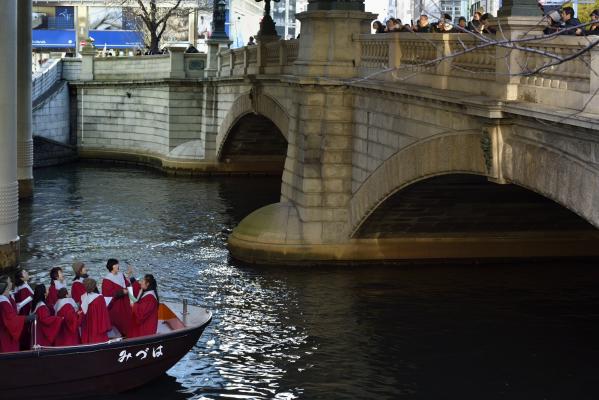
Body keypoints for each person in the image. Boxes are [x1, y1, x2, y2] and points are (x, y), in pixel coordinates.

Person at [102, 259, 138, 337]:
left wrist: (129, 275)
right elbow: (107, 294)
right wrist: (122, 292)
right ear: (112, 266)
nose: (118, 266)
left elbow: (127, 284)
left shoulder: (121, 274)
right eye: (116, 264)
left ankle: (127, 333)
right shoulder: (107, 279)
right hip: (116, 304)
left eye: (118, 264)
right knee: (120, 320)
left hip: (125, 301)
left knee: (128, 319)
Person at [0, 277, 33, 352]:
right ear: (6, 286)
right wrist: (26, 318)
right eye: (9, 281)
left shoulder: (6, 298)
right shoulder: (3, 303)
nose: (11, 282)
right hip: (6, 334)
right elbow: (11, 320)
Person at [80, 278, 111, 344]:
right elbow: (103, 314)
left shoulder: (83, 297)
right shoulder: (99, 298)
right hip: (97, 324)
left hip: (88, 324)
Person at [13, 269, 34, 350]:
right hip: (25, 316)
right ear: (21, 278)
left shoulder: (18, 288)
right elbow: (25, 306)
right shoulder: (24, 289)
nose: (27, 273)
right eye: (25, 273)